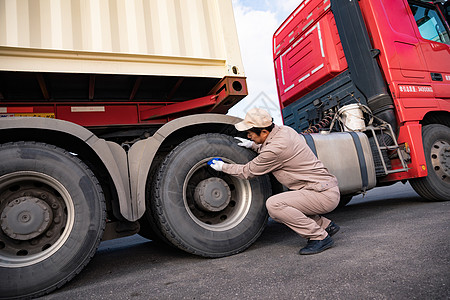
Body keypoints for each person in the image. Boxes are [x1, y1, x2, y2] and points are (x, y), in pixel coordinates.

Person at [208, 108, 340, 255]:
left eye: (250, 133)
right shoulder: (284, 130)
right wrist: (253, 145)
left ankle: (319, 237)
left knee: (274, 205)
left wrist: (223, 166)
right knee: (288, 203)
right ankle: (326, 226)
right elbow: (272, 146)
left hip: (322, 194)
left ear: (264, 132)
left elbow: (248, 171)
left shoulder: (275, 149)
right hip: (321, 189)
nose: (248, 135)